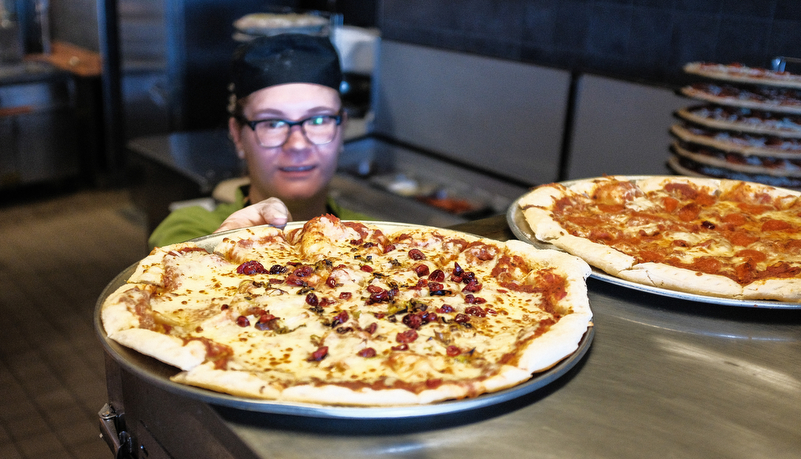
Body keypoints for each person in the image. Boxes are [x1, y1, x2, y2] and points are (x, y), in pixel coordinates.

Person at [148, 33, 370, 249]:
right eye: (273, 123)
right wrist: (223, 245)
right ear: (237, 135)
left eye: (318, 120)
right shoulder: (189, 229)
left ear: (342, 128)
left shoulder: (376, 235)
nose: (297, 145)